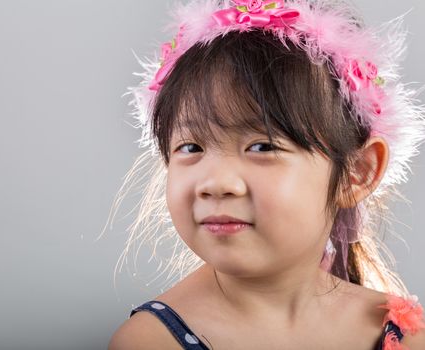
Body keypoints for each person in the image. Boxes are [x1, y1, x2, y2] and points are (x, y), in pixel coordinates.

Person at [107, 0, 425, 348]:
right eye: (191, 147)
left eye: (262, 147)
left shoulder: (402, 334)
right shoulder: (152, 341)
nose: (216, 183)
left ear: (357, 172)